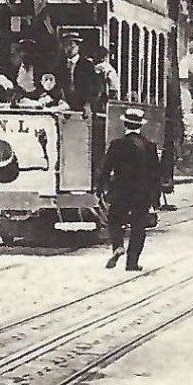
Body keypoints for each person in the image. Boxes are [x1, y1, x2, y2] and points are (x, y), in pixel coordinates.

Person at [96, 107, 162, 271]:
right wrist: (156, 198)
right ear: (140, 126)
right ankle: (132, 263)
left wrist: (100, 188)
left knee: (114, 220)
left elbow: (105, 169)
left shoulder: (117, 145)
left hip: (120, 190)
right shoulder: (149, 147)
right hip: (142, 193)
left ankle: (118, 246)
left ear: (125, 124)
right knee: (139, 226)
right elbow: (156, 174)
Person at [58, 34, 105, 114]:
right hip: (64, 106)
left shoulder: (87, 65)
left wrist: (88, 103)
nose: (68, 49)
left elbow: (95, 87)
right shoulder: (60, 65)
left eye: (71, 45)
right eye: (66, 45)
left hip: (83, 107)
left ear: (78, 47)